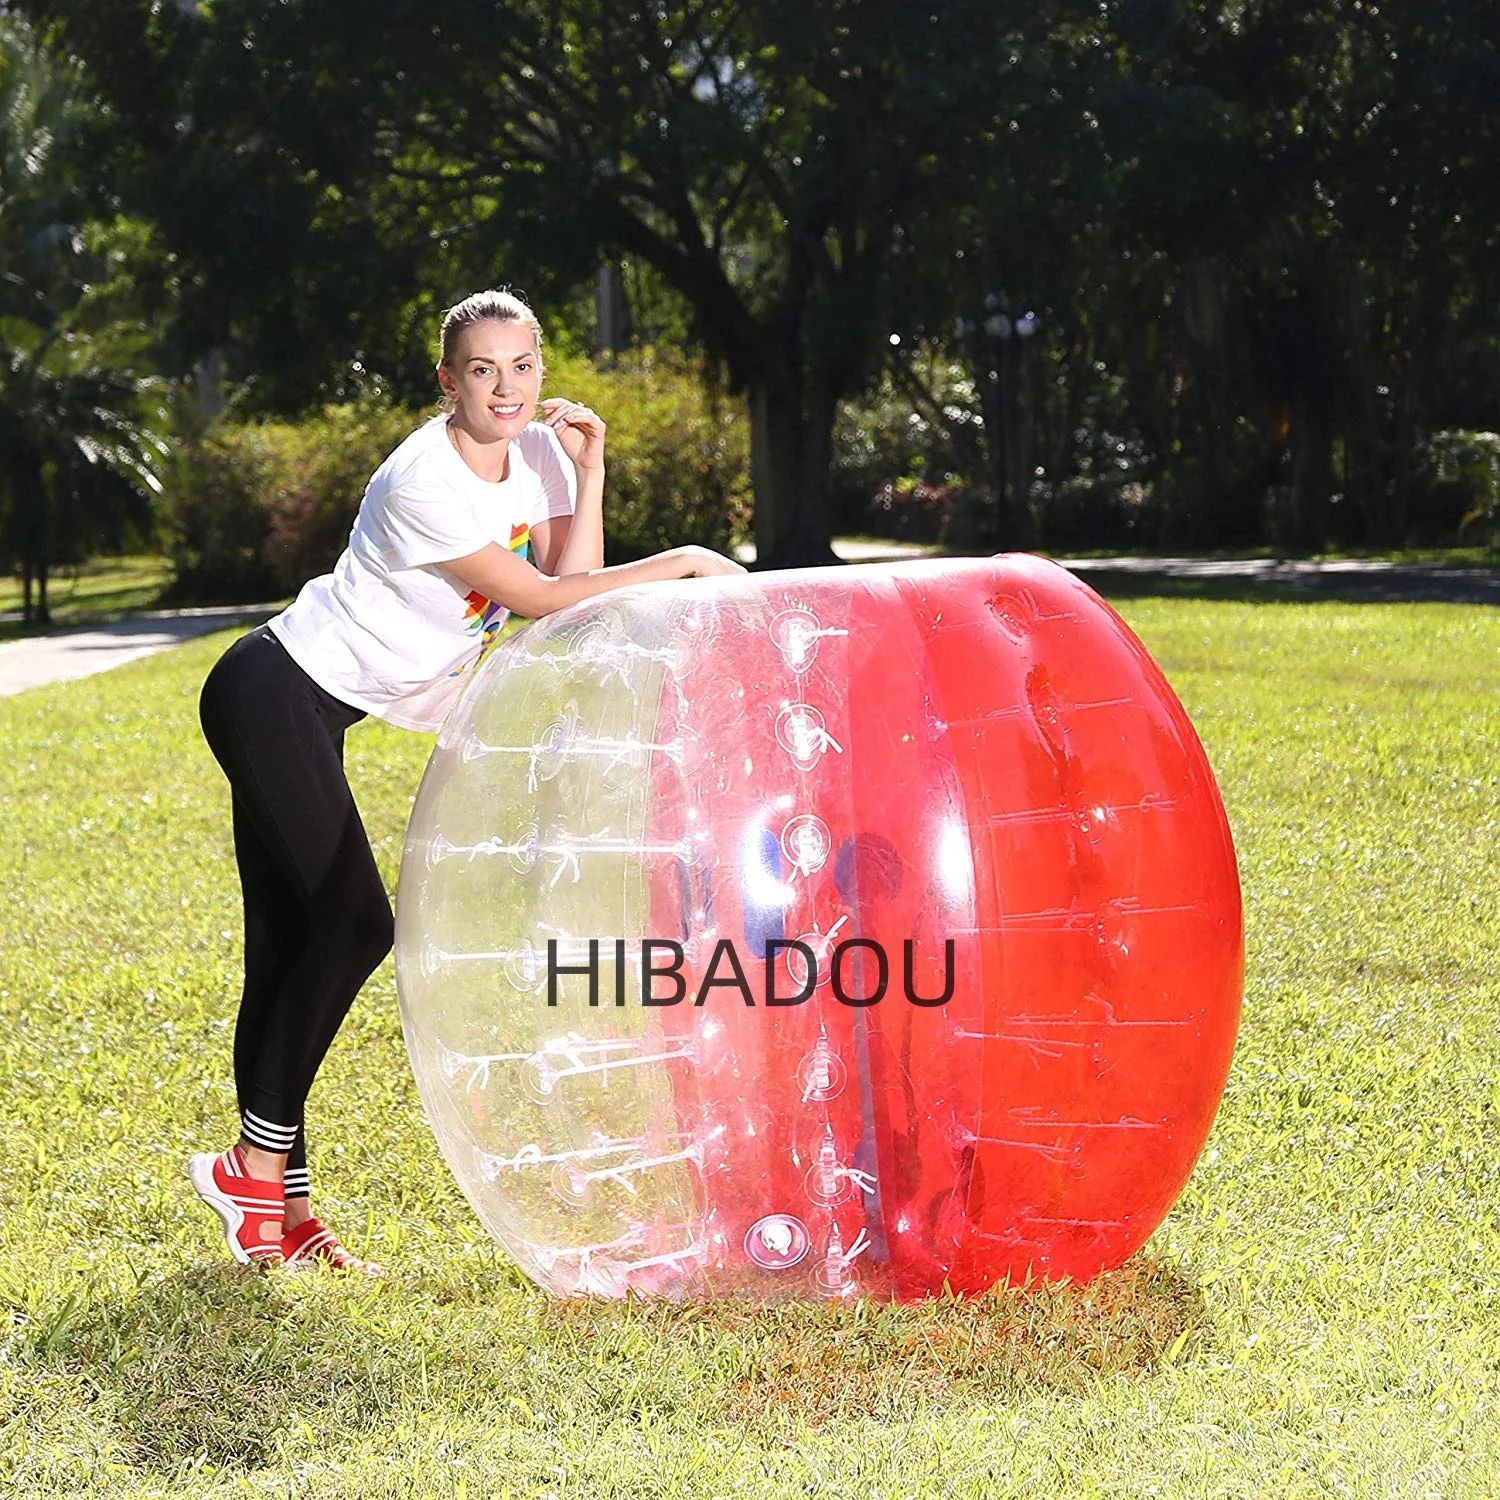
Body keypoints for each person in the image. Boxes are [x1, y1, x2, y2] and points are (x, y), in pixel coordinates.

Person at [189, 288, 745, 1273]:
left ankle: (280, 1215)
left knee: (286, 948)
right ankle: (250, 1170)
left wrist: (591, 469)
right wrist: (689, 561)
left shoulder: (536, 452)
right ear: (450, 380)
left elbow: (573, 591)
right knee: (358, 923)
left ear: (541, 368)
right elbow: (535, 597)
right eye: (483, 369)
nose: (506, 387)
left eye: (523, 366)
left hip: (313, 708)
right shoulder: (422, 479)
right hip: (271, 691)